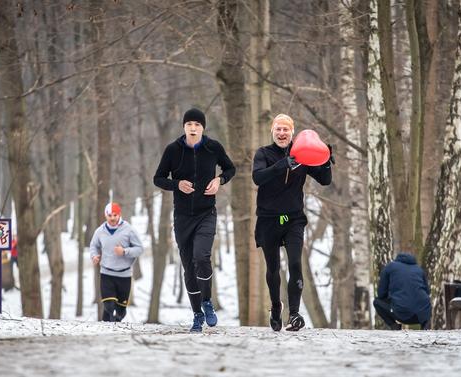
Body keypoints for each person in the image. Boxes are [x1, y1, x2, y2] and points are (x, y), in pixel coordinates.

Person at [153, 108, 236, 333]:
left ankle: (207, 302)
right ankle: (197, 315)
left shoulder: (213, 148)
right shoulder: (173, 150)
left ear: (203, 128)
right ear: (184, 127)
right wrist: (176, 184)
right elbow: (158, 178)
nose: (193, 127)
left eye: (197, 124)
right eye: (189, 124)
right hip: (182, 218)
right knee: (189, 268)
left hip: (206, 213)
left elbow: (230, 168)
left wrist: (220, 180)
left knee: (202, 256)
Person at [252, 114, 332, 331]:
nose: (281, 133)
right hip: (269, 218)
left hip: (292, 218)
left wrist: (326, 162)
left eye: (286, 129)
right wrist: (281, 165)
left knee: (295, 263)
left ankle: (294, 315)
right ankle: (276, 306)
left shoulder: (303, 154)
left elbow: (325, 180)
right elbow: (257, 177)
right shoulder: (263, 153)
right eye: (278, 129)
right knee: (273, 268)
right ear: (272, 130)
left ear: (292, 132)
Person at [89, 202, 143, 322]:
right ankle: (109, 322)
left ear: (119, 215)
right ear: (105, 215)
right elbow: (94, 246)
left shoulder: (128, 230)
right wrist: (94, 256)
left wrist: (124, 251)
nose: (112, 218)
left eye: (115, 215)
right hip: (106, 273)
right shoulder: (100, 231)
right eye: (110, 215)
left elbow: (139, 249)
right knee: (109, 304)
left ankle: (112, 322)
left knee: (120, 311)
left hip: (124, 275)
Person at [374, 252, 431, 330]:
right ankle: (425, 326)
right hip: (421, 315)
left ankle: (394, 326)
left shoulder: (390, 267)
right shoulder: (419, 269)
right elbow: (427, 292)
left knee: (377, 302)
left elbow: (381, 294)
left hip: (401, 313)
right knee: (424, 302)